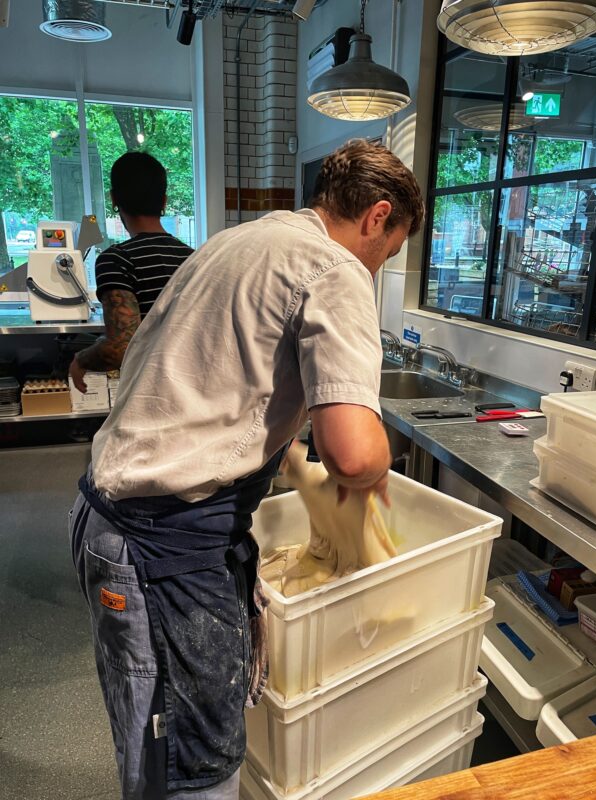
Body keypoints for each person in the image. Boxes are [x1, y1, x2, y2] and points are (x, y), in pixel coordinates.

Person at [69, 139, 424, 800]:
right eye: (389, 251)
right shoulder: (335, 267)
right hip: (162, 547)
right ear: (378, 216)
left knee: (153, 751)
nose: (377, 268)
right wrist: (377, 466)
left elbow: (217, 387)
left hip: (109, 518)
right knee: (192, 771)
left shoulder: (239, 242)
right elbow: (352, 453)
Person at [69, 151, 193, 392]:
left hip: (149, 397)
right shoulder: (193, 258)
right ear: (164, 201)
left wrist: (80, 361)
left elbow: (121, 347)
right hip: (194, 393)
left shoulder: (117, 259)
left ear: (114, 199)